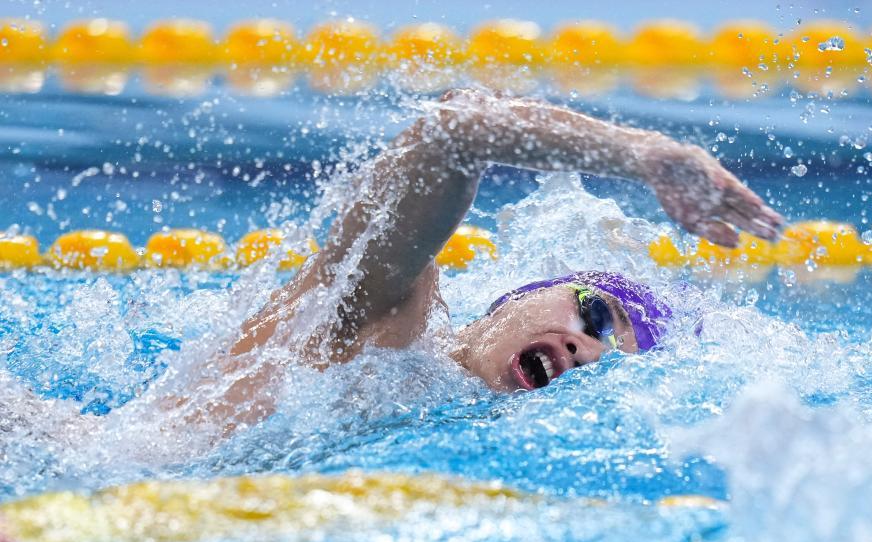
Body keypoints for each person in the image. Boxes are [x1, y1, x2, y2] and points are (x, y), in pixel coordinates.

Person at [2, 89, 783, 451]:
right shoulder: (392, 308)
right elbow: (449, 133)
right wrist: (645, 156)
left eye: (609, 358)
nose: (588, 350)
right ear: (519, 297)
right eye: (596, 315)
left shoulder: (436, 409)